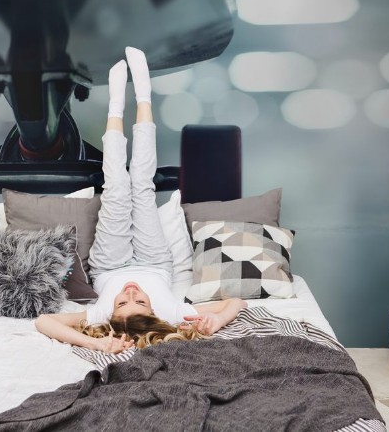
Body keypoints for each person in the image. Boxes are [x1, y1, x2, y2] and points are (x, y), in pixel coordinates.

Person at [35, 47, 247, 354]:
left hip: (109, 265)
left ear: (111, 313)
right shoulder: (174, 314)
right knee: (143, 186)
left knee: (117, 187)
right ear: (154, 312)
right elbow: (236, 302)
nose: (131, 292)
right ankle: (144, 93)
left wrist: (93, 342)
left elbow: (44, 321)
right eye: (141, 301)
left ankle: (116, 107)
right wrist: (217, 319)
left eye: (122, 301)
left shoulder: (100, 315)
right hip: (156, 262)